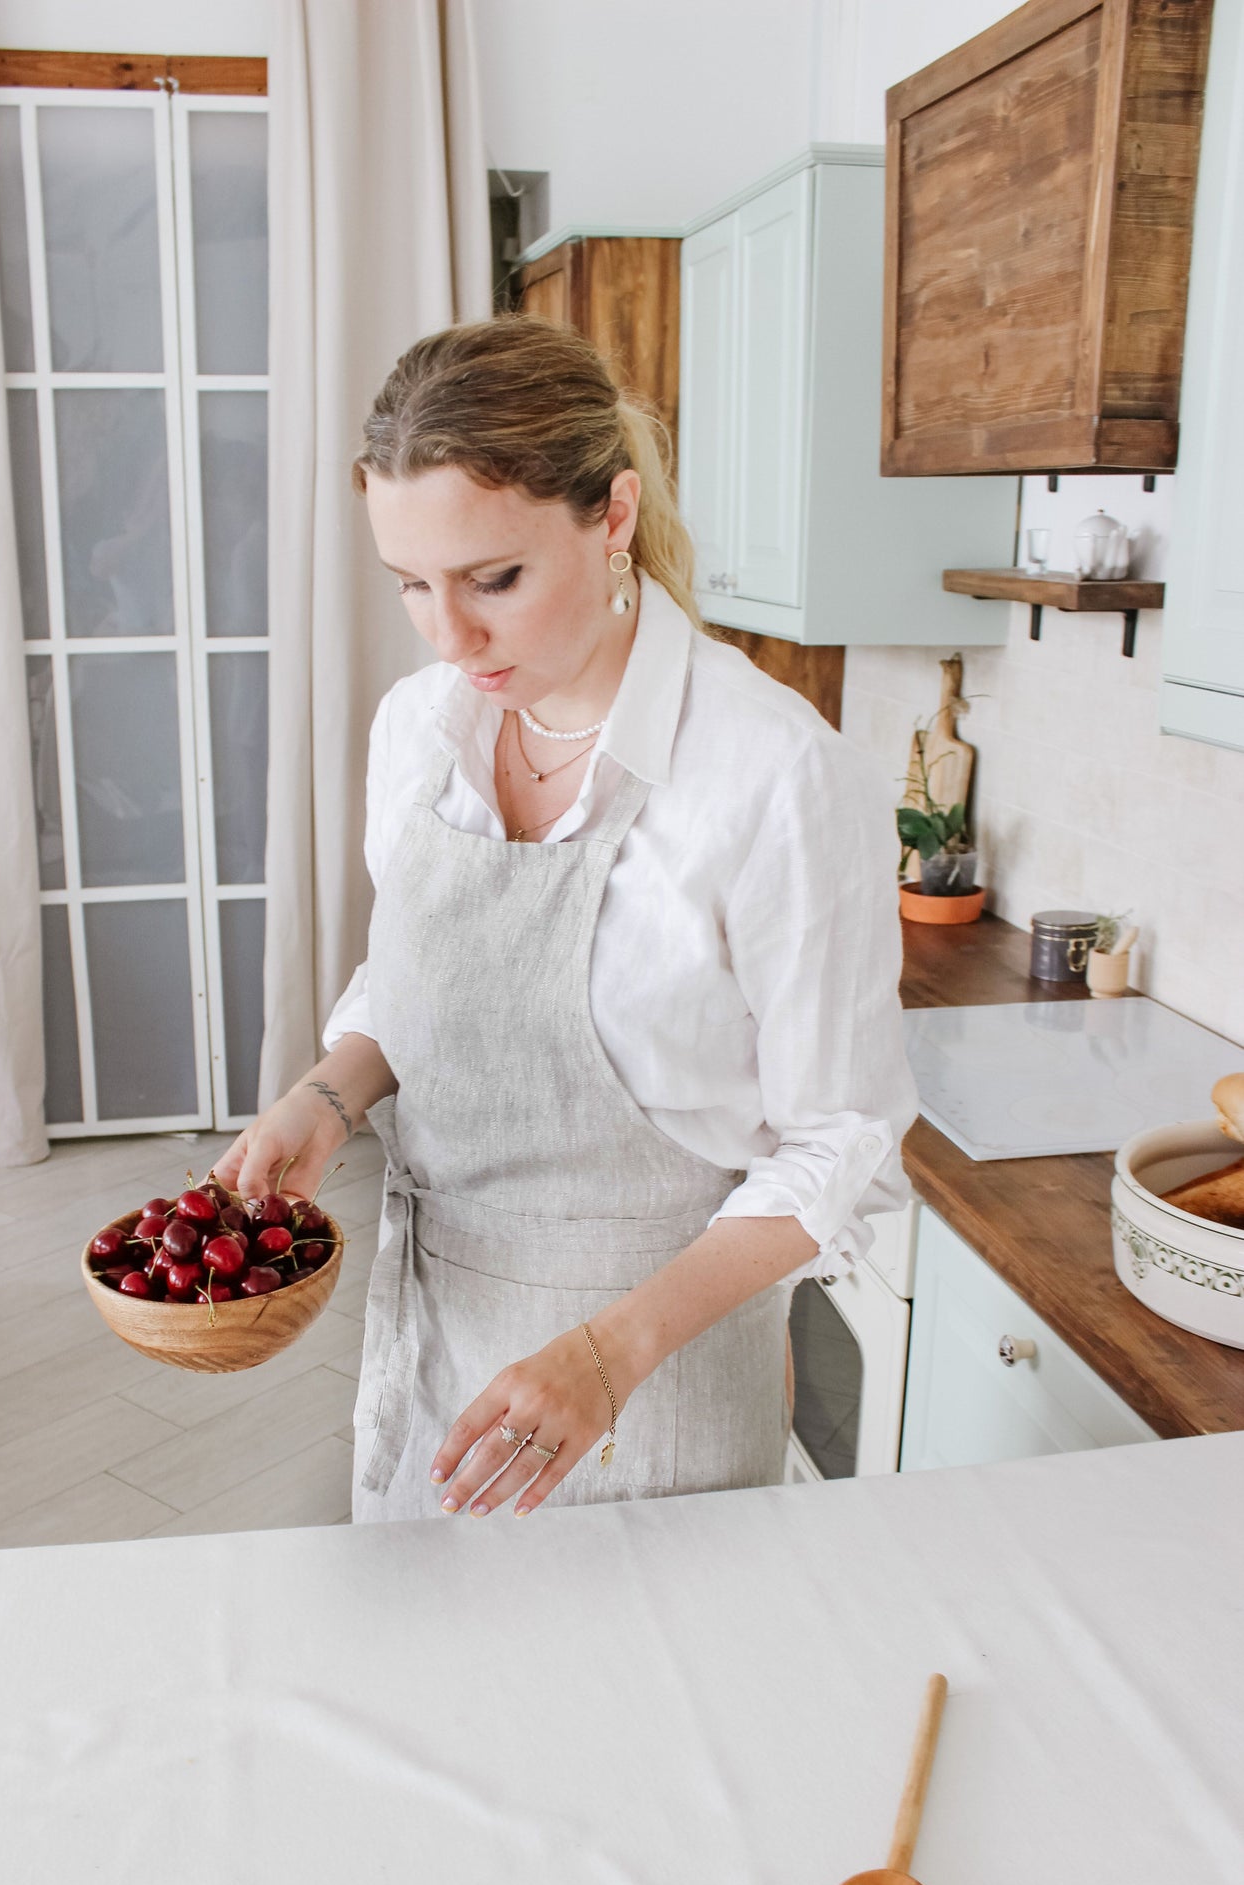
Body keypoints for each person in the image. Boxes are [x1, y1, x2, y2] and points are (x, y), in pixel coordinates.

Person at [213, 316, 917, 1526]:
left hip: (661, 1392)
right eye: (412, 587)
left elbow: (838, 1138)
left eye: (494, 580)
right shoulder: (420, 731)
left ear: (612, 515)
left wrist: (608, 1352)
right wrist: (326, 1097)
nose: (450, 636)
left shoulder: (771, 775)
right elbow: (413, 981)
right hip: (442, 1365)